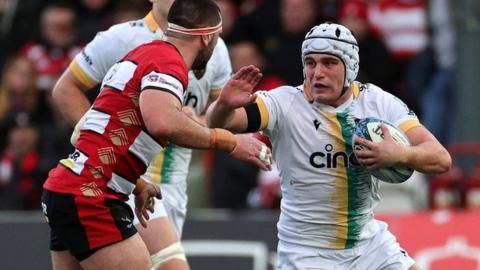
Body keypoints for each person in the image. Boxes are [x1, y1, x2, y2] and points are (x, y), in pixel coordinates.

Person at [41, 1, 271, 270]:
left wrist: (135, 183)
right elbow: (163, 122)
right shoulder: (168, 63)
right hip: (94, 195)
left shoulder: (144, 53)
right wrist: (230, 142)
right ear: (208, 37)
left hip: (73, 186)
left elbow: (102, 131)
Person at [206, 22, 452, 269]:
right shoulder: (283, 103)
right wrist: (224, 106)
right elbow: (222, 122)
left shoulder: (380, 102)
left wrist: (400, 154)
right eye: (310, 63)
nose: (317, 72)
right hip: (307, 252)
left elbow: (441, 159)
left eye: (329, 63)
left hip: (369, 245)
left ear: (351, 66)